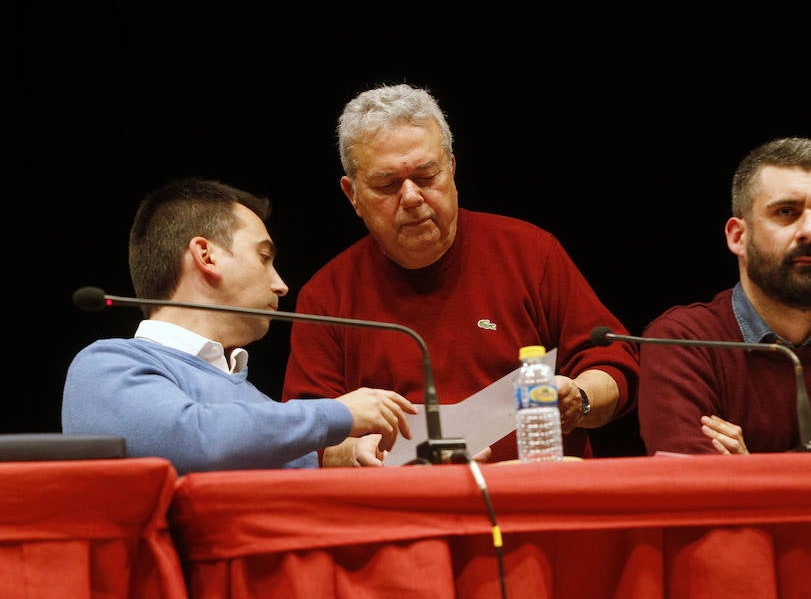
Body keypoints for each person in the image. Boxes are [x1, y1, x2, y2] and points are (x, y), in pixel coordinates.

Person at [281, 83, 641, 465]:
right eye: (386, 185)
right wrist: (350, 454)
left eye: (426, 176)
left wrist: (579, 399)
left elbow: (613, 363)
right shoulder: (326, 295)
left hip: (529, 496)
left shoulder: (530, 253)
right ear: (352, 195)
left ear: (451, 169)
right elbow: (303, 434)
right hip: (399, 509)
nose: (411, 197)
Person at [62, 177, 417, 474]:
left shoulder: (252, 401)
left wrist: (344, 456)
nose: (280, 285)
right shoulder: (106, 366)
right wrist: (340, 413)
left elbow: (252, 444)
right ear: (206, 255)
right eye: (263, 258)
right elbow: (193, 442)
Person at [638, 137, 811, 455]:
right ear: (738, 236)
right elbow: (698, 495)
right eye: (786, 212)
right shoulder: (682, 342)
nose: (809, 230)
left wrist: (752, 471)